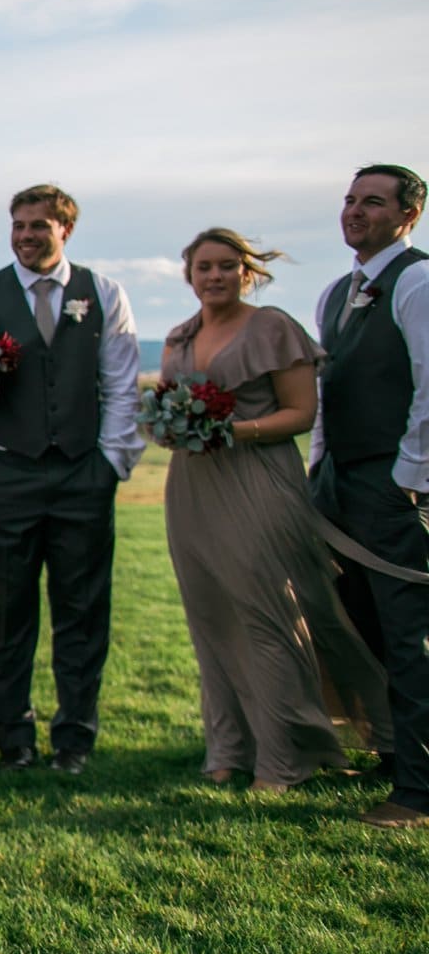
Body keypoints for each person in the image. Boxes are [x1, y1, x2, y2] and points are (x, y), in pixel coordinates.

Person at [157, 229, 390, 790]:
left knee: (268, 617)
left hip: (257, 479)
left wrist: (232, 430)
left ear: (248, 272)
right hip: (191, 487)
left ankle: (288, 754)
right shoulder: (179, 336)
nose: (214, 276)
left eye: (227, 266)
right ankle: (228, 747)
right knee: (209, 619)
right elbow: (165, 405)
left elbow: (302, 414)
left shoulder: (273, 328)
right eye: (204, 266)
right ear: (189, 273)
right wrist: (166, 426)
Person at [0, 184, 143, 776]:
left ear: (66, 230)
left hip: (85, 473)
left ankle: (75, 740)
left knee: (83, 613)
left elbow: (121, 387)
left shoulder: (103, 293)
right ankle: (15, 740)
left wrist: (111, 464)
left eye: (40, 226)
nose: (27, 235)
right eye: (19, 225)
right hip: (9, 473)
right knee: (8, 616)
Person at [309, 164, 429, 828]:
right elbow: (329, 395)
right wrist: (320, 471)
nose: (355, 211)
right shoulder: (335, 293)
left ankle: (418, 792)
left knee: (410, 634)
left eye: (373, 202)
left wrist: (409, 478)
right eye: (351, 199)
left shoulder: (418, 280)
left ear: (407, 216)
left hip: (397, 486)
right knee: (362, 627)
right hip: (340, 484)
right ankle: (390, 752)